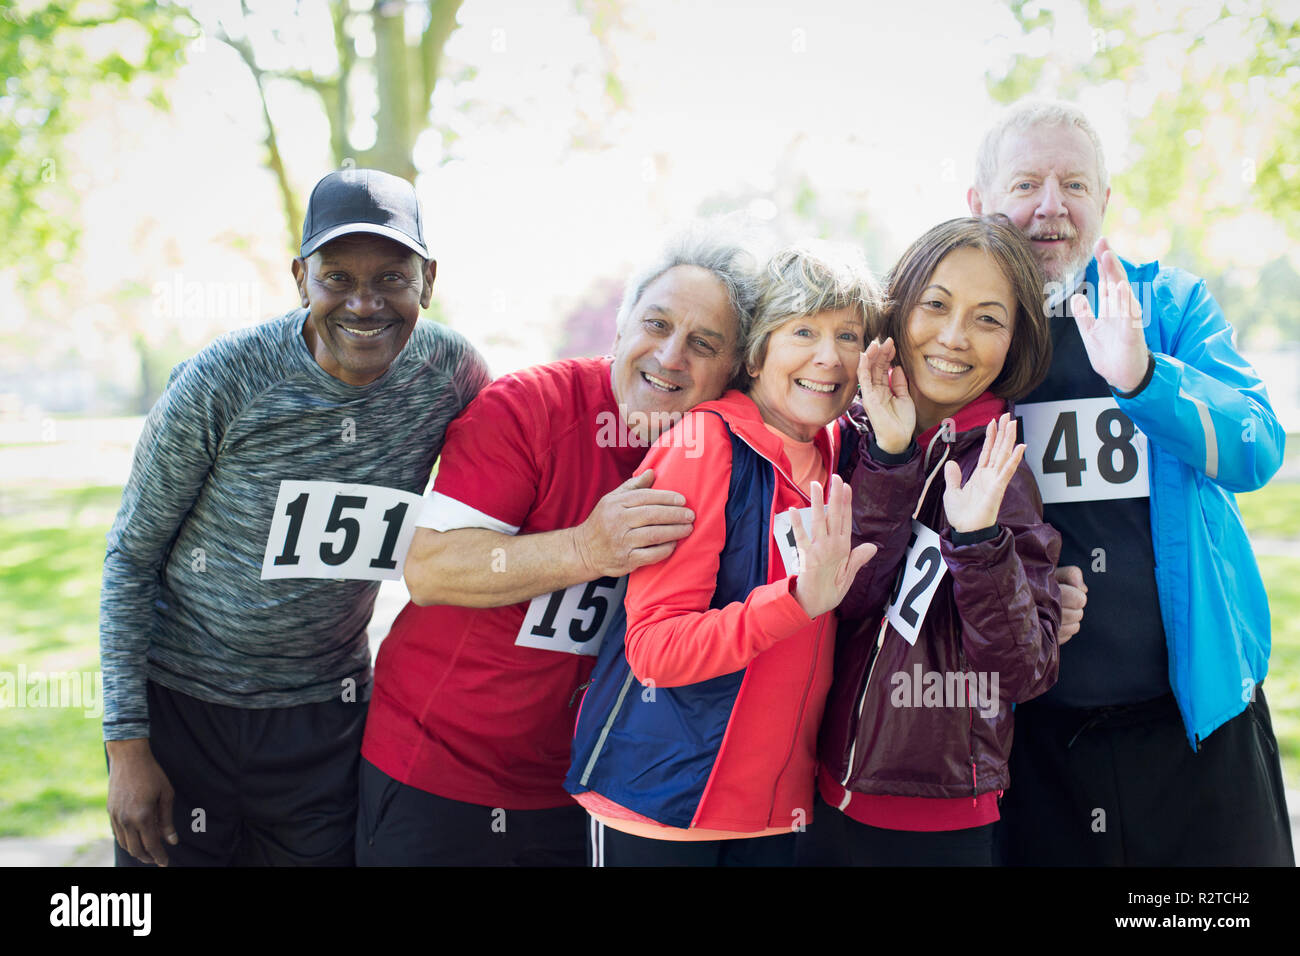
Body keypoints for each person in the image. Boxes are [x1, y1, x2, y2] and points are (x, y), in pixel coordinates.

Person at [100, 168, 490, 866]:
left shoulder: (453, 375)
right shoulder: (224, 379)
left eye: (392, 278)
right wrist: (127, 748)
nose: (365, 304)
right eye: (338, 278)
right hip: (183, 709)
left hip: (325, 717)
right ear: (301, 278)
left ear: (427, 281)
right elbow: (131, 556)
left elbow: (503, 491)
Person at [357, 225, 760, 866]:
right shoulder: (531, 407)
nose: (670, 355)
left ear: (734, 372)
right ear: (620, 330)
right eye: (656, 325)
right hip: (438, 774)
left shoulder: (731, 458)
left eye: (702, 343)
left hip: (584, 789)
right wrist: (586, 550)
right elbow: (430, 569)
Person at [968, 99, 1293, 865]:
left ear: (1104, 201)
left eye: (1075, 185)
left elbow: (1257, 447)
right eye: (1026, 184)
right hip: (1032, 747)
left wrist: (1146, 379)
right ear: (979, 203)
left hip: (1197, 729)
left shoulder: (1168, 305)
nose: (1052, 206)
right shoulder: (963, 335)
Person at [564, 242, 881, 866]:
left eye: (848, 335)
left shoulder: (843, 449)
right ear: (756, 354)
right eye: (803, 330)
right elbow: (655, 650)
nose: (829, 356)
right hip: (658, 808)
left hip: (773, 816)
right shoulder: (705, 443)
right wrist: (795, 602)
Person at [814, 217, 1060, 866]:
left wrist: (979, 542)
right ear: (899, 308)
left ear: (1015, 341)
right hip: (821, 792)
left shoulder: (1001, 472)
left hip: (942, 815)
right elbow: (849, 601)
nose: (953, 338)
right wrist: (891, 460)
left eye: (988, 319)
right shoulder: (851, 431)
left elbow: (1023, 672)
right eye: (936, 305)